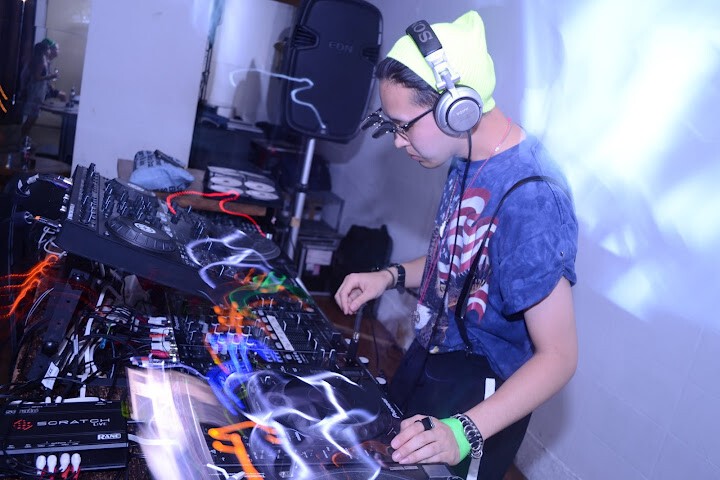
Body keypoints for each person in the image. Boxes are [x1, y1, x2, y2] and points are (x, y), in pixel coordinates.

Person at [334, 10, 579, 480]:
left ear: (457, 108)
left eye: (403, 125)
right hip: (429, 359)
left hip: (481, 400)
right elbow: (462, 258)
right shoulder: (463, 155)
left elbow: (559, 356)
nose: (398, 142)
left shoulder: (532, 199)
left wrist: (463, 432)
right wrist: (389, 276)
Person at [20, 38, 65, 138]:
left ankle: (24, 137)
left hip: (39, 91)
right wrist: (51, 76)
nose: (50, 50)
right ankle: (22, 137)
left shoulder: (43, 59)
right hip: (36, 92)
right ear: (44, 50)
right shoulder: (40, 60)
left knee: (33, 117)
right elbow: (36, 77)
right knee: (32, 117)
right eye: (48, 49)